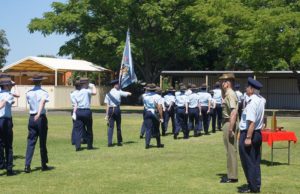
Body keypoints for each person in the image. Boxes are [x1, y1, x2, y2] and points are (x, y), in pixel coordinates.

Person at [238, 77, 265, 193]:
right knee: (255, 161)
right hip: (257, 133)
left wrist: (248, 137)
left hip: (250, 133)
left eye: (247, 87)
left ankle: (252, 187)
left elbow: (251, 122)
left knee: (248, 161)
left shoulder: (252, 102)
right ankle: (256, 185)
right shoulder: (261, 99)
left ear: (252, 89)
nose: (245, 88)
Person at [24, 74, 50, 173]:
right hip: (40, 118)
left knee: (31, 142)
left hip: (31, 117)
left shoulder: (29, 93)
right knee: (42, 142)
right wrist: (39, 113)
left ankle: (27, 165)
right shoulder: (44, 93)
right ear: (41, 82)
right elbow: (42, 102)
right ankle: (43, 164)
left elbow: (30, 103)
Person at [219, 73, 239, 183]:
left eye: (224, 81)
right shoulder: (227, 94)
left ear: (229, 83)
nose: (222, 83)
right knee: (229, 150)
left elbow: (233, 112)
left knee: (231, 150)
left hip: (229, 123)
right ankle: (231, 174)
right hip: (227, 122)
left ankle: (232, 176)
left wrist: (231, 128)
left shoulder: (230, 94)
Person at [104, 79, 132, 147]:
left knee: (110, 127)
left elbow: (107, 105)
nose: (119, 85)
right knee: (118, 126)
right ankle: (119, 141)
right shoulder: (119, 92)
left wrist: (106, 115)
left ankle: (109, 142)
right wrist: (128, 92)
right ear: (115, 85)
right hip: (116, 109)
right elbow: (129, 94)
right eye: (118, 84)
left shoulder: (108, 94)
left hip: (110, 110)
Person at [73, 77, 97, 151]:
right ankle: (89, 145)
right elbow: (95, 93)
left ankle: (77, 146)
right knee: (89, 128)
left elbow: (75, 104)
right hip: (86, 111)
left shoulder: (76, 92)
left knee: (78, 130)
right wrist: (93, 86)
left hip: (79, 111)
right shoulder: (87, 91)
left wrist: (74, 113)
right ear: (86, 84)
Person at [0, 76, 16, 176]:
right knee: (8, 145)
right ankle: (9, 169)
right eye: (9, 85)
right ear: (6, 85)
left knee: (0, 143)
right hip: (6, 121)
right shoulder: (8, 95)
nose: (11, 86)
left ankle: (2, 163)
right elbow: (5, 102)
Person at [143, 83, 164, 149]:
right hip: (154, 112)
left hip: (147, 112)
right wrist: (161, 117)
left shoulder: (144, 96)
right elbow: (159, 107)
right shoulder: (158, 96)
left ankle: (147, 143)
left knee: (148, 129)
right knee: (157, 128)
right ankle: (158, 143)